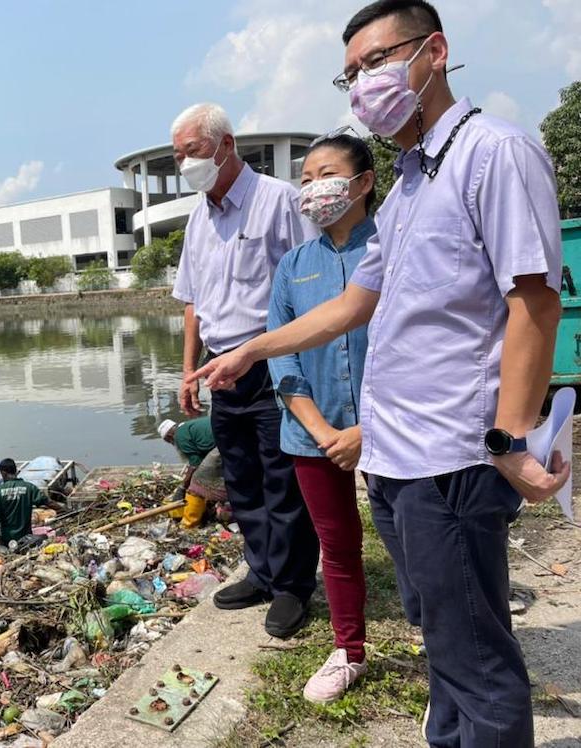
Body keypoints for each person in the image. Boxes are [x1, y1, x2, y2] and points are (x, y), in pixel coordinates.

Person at [188, 2, 566, 744]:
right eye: (352, 72)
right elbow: (357, 304)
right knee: (446, 650)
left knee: (477, 657)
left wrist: (511, 437)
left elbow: (535, 300)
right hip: (395, 459)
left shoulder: (494, 151)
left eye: (377, 61)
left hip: (450, 455)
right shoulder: (410, 183)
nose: (364, 84)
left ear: (435, 52)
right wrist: (252, 351)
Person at [171, 101, 320, 638]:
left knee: (284, 478)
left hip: (273, 361)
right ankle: (260, 571)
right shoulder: (198, 218)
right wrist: (190, 371)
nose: (186, 163)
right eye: (179, 155)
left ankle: (293, 586)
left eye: (194, 151)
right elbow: (192, 301)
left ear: (226, 145)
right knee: (241, 478)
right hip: (220, 369)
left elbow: (314, 281)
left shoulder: (278, 201)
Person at [266, 131, 378, 703]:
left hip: (391, 430)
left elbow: (416, 345)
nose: (313, 189)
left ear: (363, 183)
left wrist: (368, 429)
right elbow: (282, 354)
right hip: (314, 435)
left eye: (325, 175)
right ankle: (349, 651)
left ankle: (447, 652)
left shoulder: (391, 246)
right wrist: (324, 431)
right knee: (337, 545)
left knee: (416, 542)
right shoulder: (294, 266)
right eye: (305, 179)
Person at [0, 458, 65, 551]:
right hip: (26, 538)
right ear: (16, 471)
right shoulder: (29, 487)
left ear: (3, 473)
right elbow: (47, 502)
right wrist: (65, 511)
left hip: (7, 540)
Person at [158, 416, 217, 527]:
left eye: (169, 442)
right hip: (228, 434)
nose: (172, 444)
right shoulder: (187, 427)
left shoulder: (179, 437)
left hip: (224, 441)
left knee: (197, 483)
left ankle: (190, 523)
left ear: (170, 436)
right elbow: (200, 456)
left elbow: (195, 465)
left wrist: (183, 486)